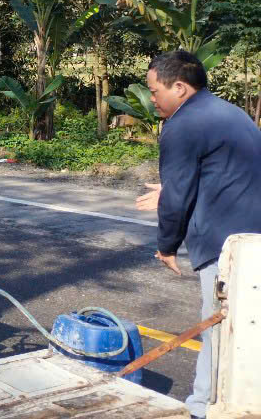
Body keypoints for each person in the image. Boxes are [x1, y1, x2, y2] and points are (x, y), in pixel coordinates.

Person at [133, 50, 261, 419]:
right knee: (241, 325)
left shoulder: (182, 125)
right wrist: (171, 189)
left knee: (219, 329)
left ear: (179, 87)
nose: (151, 98)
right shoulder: (229, 112)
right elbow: (221, 173)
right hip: (251, 236)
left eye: (154, 91)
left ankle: (202, 409)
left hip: (227, 245)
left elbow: (178, 198)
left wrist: (166, 246)